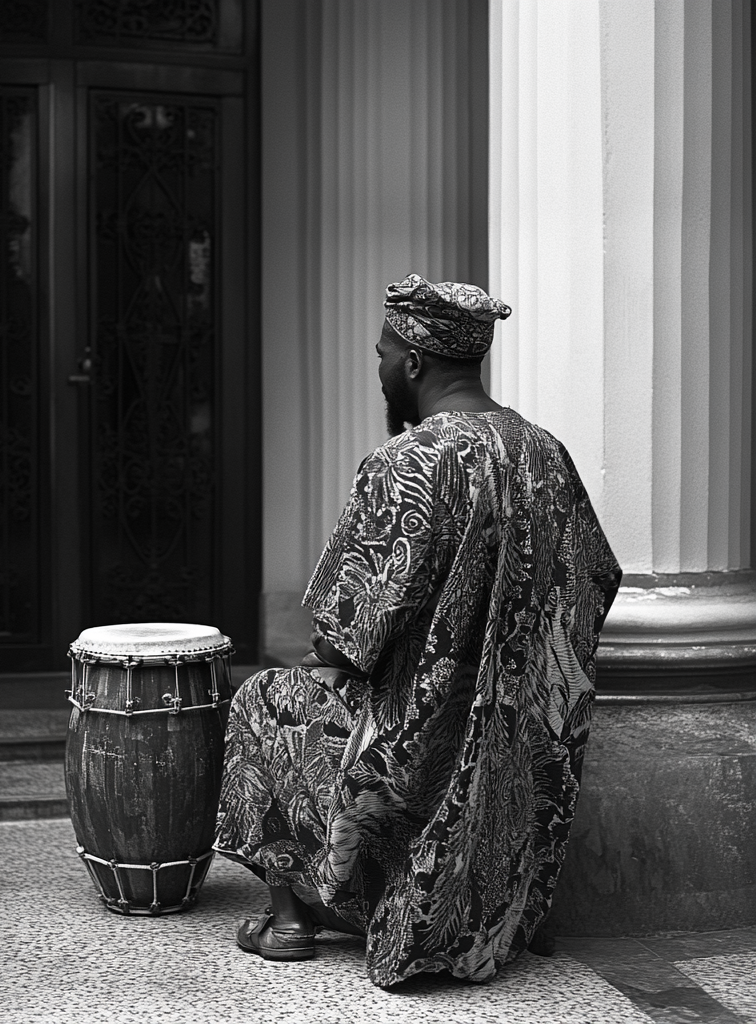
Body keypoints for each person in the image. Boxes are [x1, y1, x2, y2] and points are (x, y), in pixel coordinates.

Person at [212, 273, 622, 988]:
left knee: (263, 698)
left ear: (413, 362)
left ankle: (291, 921)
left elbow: (342, 639)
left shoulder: (408, 463)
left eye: (381, 356)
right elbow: (598, 581)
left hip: (416, 762)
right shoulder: (547, 453)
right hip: (517, 765)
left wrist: (358, 663)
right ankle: (510, 908)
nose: (378, 371)